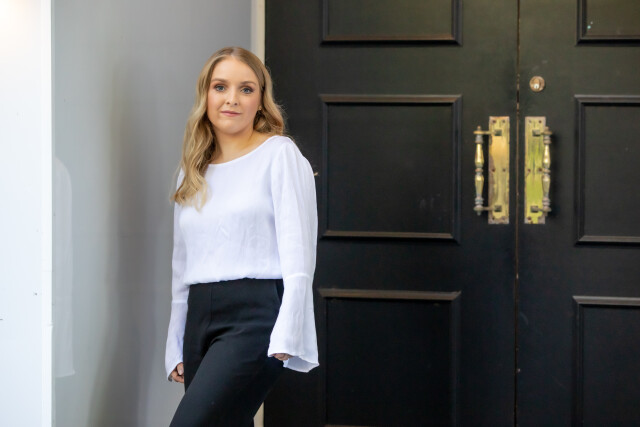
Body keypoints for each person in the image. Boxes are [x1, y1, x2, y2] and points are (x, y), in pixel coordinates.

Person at [165, 46, 319, 426]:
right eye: (220, 87)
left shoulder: (279, 155)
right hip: (199, 316)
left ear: (260, 101)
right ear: (206, 95)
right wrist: (175, 341)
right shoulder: (192, 172)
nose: (232, 98)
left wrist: (291, 326)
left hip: (255, 317)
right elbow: (182, 263)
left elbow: (299, 250)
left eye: (246, 89)